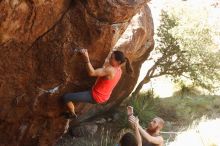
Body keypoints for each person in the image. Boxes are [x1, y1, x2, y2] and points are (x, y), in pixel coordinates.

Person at [63, 48, 133, 118]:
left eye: (112, 58)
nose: (109, 59)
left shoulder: (110, 70)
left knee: (66, 97)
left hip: (95, 96)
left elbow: (92, 73)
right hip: (104, 96)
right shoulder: (119, 70)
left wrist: (86, 58)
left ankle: (72, 113)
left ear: (118, 62)